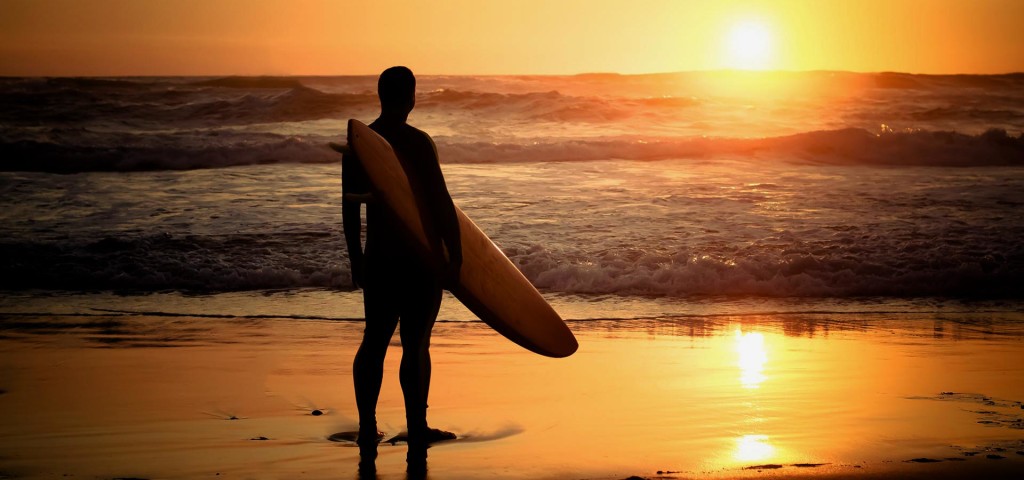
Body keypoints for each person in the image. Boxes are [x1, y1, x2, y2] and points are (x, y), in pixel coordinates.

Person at [342, 66, 463, 475]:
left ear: (380, 96)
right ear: (411, 97)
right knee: (416, 344)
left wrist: (355, 257)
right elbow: (441, 202)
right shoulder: (417, 142)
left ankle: (367, 427)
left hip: (379, 257)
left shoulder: (360, 144)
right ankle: (416, 427)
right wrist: (456, 255)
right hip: (419, 261)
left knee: (374, 341)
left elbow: (349, 206)